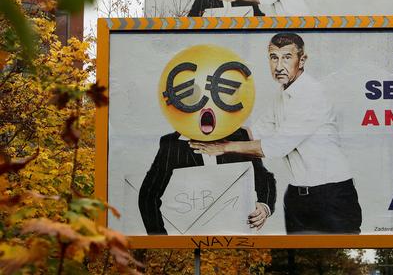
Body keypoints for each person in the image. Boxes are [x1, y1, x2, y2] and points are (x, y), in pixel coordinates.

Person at [190, 33, 362, 234]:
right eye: (274, 57)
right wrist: (209, 124)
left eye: (287, 57)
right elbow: (253, 133)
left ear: (302, 60)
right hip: (297, 197)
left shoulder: (311, 94)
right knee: (297, 262)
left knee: (336, 260)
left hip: (332, 195)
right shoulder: (282, 95)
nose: (279, 66)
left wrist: (223, 147)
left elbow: (276, 146)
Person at [138, 127, 276, 235]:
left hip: (235, 240)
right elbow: (148, 196)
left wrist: (265, 207)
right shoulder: (171, 144)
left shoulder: (240, 136)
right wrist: (161, 242)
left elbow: (265, 178)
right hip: (187, 243)